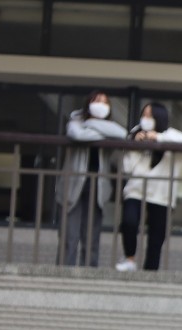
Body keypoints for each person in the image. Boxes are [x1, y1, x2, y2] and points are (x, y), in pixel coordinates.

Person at [116, 102, 182, 272]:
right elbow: (127, 168)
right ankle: (129, 259)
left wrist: (157, 138)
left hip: (161, 195)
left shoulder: (169, 134)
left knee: (156, 237)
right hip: (135, 190)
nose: (146, 119)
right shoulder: (136, 133)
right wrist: (135, 145)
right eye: (144, 115)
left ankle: (150, 272)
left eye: (150, 115)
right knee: (129, 222)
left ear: (160, 117)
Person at [59, 91, 125, 267]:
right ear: (88, 104)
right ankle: (65, 272)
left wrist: (91, 125)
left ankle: (89, 270)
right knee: (70, 234)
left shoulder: (108, 126)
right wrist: (102, 134)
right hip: (73, 184)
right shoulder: (75, 121)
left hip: (99, 185)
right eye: (97, 101)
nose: (101, 105)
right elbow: (77, 135)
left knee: (92, 235)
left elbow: (122, 133)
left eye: (105, 102)